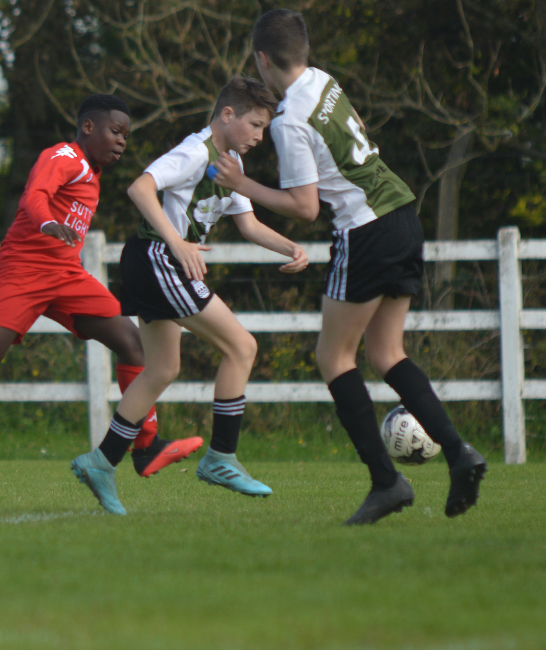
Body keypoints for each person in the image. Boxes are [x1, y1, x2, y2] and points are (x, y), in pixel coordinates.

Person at [212, 8, 487, 525]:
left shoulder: (290, 119)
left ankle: (386, 482)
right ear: (305, 50)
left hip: (365, 231)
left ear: (261, 58)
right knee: (386, 352)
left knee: (333, 356)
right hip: (403, 214)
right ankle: (457, 452)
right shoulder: (325, 82)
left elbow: (305, 207)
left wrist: (241, 185)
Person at [0, 94, 203, 491]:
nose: (121, 142)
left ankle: (146, 447)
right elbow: (34, 196)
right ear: (87, 127)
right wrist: (46, 224)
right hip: (21, 271)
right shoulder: (63, 155)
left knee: (134, 344)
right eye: (115, 132)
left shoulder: (93, 174)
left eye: (126, 136)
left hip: (65, 276)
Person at [69, 77, 309, 515]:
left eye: (264, 128)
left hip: (153, 262)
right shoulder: (196, 151)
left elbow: (249, 225)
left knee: (162, 369)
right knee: (242, 347)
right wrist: (177, 244)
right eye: (255, 124)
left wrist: (289, 247)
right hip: (159, 257)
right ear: (228, 115)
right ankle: (220, 457)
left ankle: (100, 462)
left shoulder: (229, 161)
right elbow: (140, 188)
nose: (259, 136)